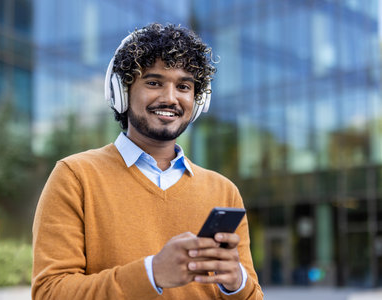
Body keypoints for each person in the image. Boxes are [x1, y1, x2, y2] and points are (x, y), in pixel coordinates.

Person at [32, 23, 263, 299]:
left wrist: (236, 282)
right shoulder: (75, 177)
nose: (170, 98)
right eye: (154, 82)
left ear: (198, 101)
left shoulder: (225, 191)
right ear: (122, 91)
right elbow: (50, 292)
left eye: (184, 86)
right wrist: (152, 273)